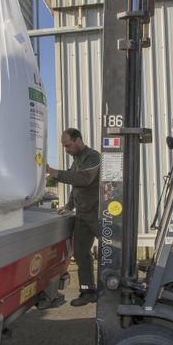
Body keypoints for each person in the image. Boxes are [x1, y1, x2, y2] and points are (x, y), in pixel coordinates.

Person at [46, 128, 101, 307]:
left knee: (112, 253)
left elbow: (84, 179)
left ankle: (116, 289)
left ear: (78, 140)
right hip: (83, 215)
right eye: (64, 146)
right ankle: (88, 291)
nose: (66, 149)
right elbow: (76, 185)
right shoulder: (76, 159)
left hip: (97, 214)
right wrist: (69, 206)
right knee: (80, 253)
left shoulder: (93, 157)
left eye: (67, 145)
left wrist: (56, 173)